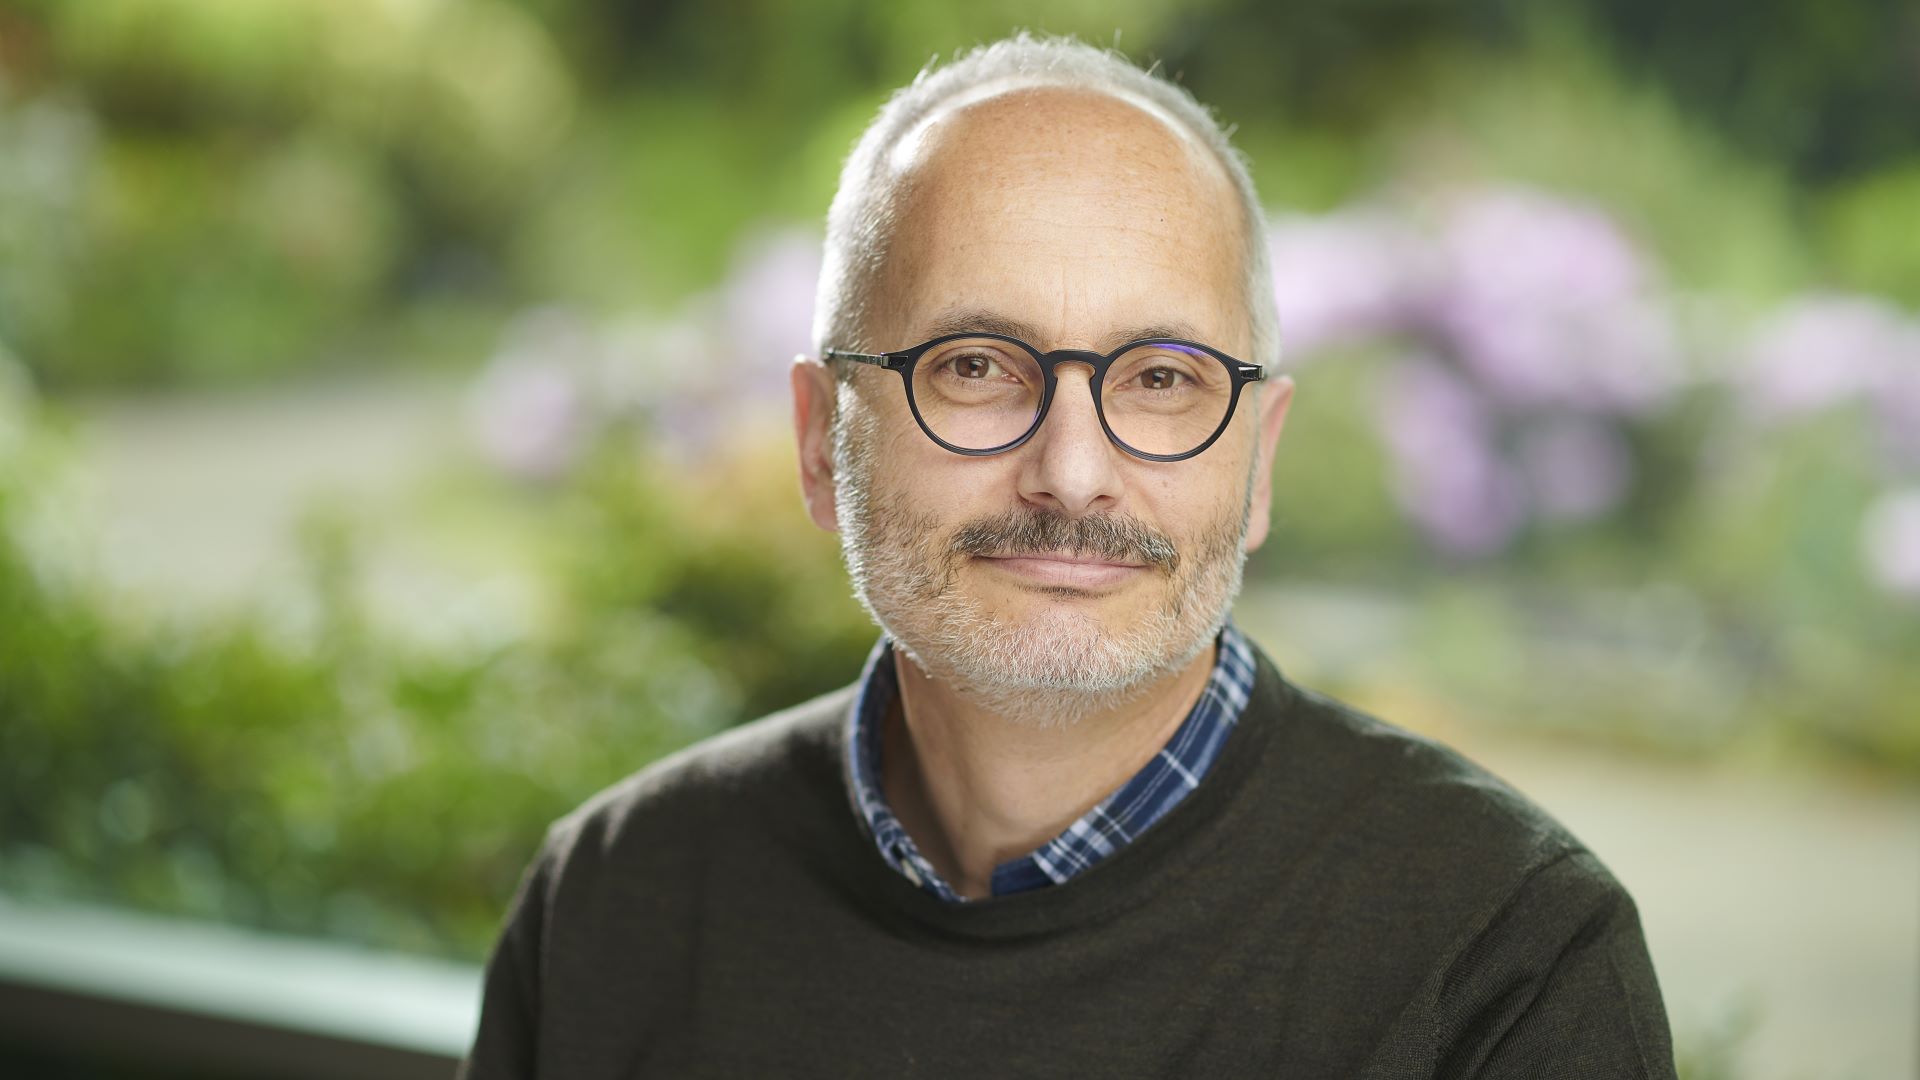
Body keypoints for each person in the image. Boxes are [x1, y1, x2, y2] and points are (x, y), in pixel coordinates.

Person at [460, 33, 1675, 1079]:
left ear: (1257, 460)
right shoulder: (617, 901)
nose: (1073, 471)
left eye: (1160, 379)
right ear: (822, 443)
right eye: (978, 366)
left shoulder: (1504, 962)